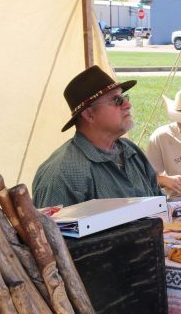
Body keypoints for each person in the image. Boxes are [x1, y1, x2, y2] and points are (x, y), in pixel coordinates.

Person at [33, 66, 161, 208]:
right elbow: (53, 229)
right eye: (117, 100)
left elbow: (160, 204)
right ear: (89, 115)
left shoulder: (131, 151)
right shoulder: (63, 174)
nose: (128, 105)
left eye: (125, 98)